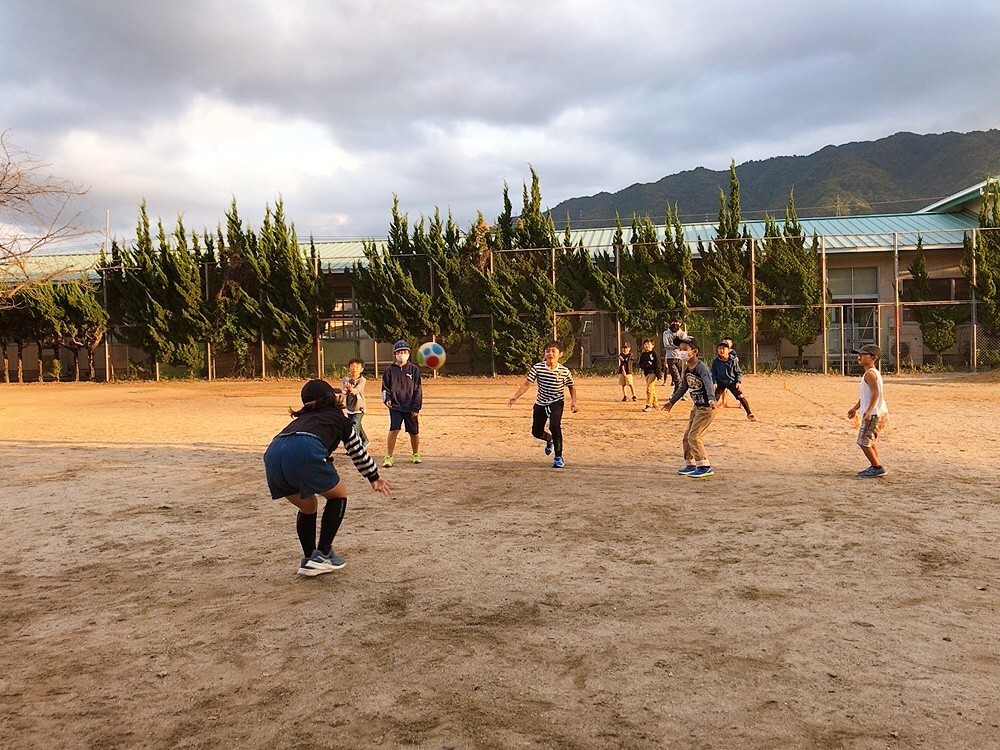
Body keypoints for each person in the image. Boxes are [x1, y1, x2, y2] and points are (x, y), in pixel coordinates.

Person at [263, 379, 391, 576]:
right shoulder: (338, 417)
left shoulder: (299, 419)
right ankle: (322, 554)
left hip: (273, 453)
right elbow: (357, 451)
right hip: (305, 449)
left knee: (308, 505)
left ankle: (308, 559)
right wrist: (373, 476)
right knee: (338, 494)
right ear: (331, 398)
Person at [507, 340, 579, 469]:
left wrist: (574, 402)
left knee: (555, 426)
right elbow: (527, 384)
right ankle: (549, 439)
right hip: (541, 403)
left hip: (557, 402)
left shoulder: (564, 371)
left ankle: (558, 457)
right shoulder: (538, 367)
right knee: (536, 432)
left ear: (560, 354)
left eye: (553, 351)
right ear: (544, 354)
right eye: (547, 351)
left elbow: (571, 387)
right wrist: (515, 396)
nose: (550, 353)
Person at [662, 336, 718, 478]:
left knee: (694, 436)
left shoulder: (701, 368)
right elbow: (682, 387)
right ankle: (690, 464)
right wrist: (672, 401)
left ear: (694, 351)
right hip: (696, 407)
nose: (681, 352)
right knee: (687, 436)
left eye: (685, 349)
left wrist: (712, 399)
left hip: (706, 408)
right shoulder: (687, 369)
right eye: (680, 349)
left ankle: (704, 466)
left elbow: (708, 384)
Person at [847, 343, 889, 478]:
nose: (859, 357)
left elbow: (875, 393)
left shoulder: (870, 374)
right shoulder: (870, 373)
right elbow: (866, 395)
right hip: (879, 412)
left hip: (875, 414)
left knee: (863, 442)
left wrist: (869, 410)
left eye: (862, 355)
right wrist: (855, 408)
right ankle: (874, 465)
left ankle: (877, 468)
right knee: (870, 441)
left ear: (872, 358)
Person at [381, 340, 422, 467]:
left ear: (409, 353)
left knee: (414, 432)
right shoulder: (389, 370)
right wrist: (387, 399)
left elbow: (418, 389)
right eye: (399, 352)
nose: (401, 354)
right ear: (395, 354)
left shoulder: (414, 370)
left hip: (410, 407)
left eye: (404, 352)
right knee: (394, 429)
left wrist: (416, 407)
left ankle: (415, 454)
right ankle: (389, 456)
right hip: (396, 406)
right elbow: (384, 388)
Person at [711, 340, 756, 421]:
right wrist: (714, 382)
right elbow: (713, 373)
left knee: (741, 397)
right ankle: (708, 415)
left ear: (728, 350)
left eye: (723, 349)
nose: (721, 350)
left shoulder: (733, 360)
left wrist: (738, 382)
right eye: (719, 348)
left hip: (732, 382)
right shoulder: (715, 361)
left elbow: (738, 372)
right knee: (714, 399)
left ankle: (749, 414)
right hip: (720, 382)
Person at [342, 358, 370, 448]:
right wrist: (345, 390)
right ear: (349, 368)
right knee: (357, 425)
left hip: (359, 408)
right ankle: (365, 440)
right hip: (350, 407)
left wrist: (351, 389)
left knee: (354, 426)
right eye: (352, 366)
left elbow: (357, 390)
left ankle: (355, 446)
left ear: (361, 369)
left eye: (357, 367)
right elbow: (345, 391)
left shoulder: (362, 380)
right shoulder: (346, 379)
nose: (354, 368)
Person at [638, 338, 663, 412]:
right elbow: (640, 364)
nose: (646, 346)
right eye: (645, 344)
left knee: (649, 389)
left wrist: (658, 375)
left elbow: (658, 364)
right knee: (652, 389)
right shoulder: (643, 354)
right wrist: (646, 365)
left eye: (648, 344)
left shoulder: (654, 354)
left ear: (653, 345)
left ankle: (649, 405)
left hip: (653, 373)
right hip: (646, 373)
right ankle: (655, 404)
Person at [662, 318, 687, 392]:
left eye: (677, 322)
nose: (675, 324)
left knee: (681, 377)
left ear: (680, 324)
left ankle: (678, 393)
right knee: (676, 378)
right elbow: (666, 345)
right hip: (670, 358)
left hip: (681, 358)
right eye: (674, 322)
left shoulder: (682, 334)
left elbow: (684, 345)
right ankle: (678, 393)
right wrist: (677, 346)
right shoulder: (666, 333)